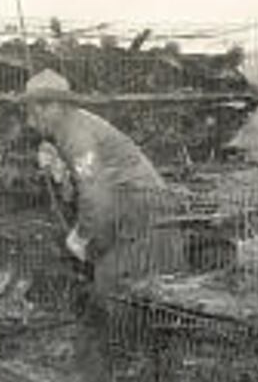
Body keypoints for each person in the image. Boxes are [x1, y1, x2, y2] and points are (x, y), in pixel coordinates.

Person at [22, 68, 183, 298]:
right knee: (138, 287)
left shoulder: (75, 135)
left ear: (57, 106)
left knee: (119, 287)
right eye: (32, 110)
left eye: (38, 109)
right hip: (137, 204)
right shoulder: (76, 125)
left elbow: (95, 195)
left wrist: (82, 236)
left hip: (139, 206)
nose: (32, 120)